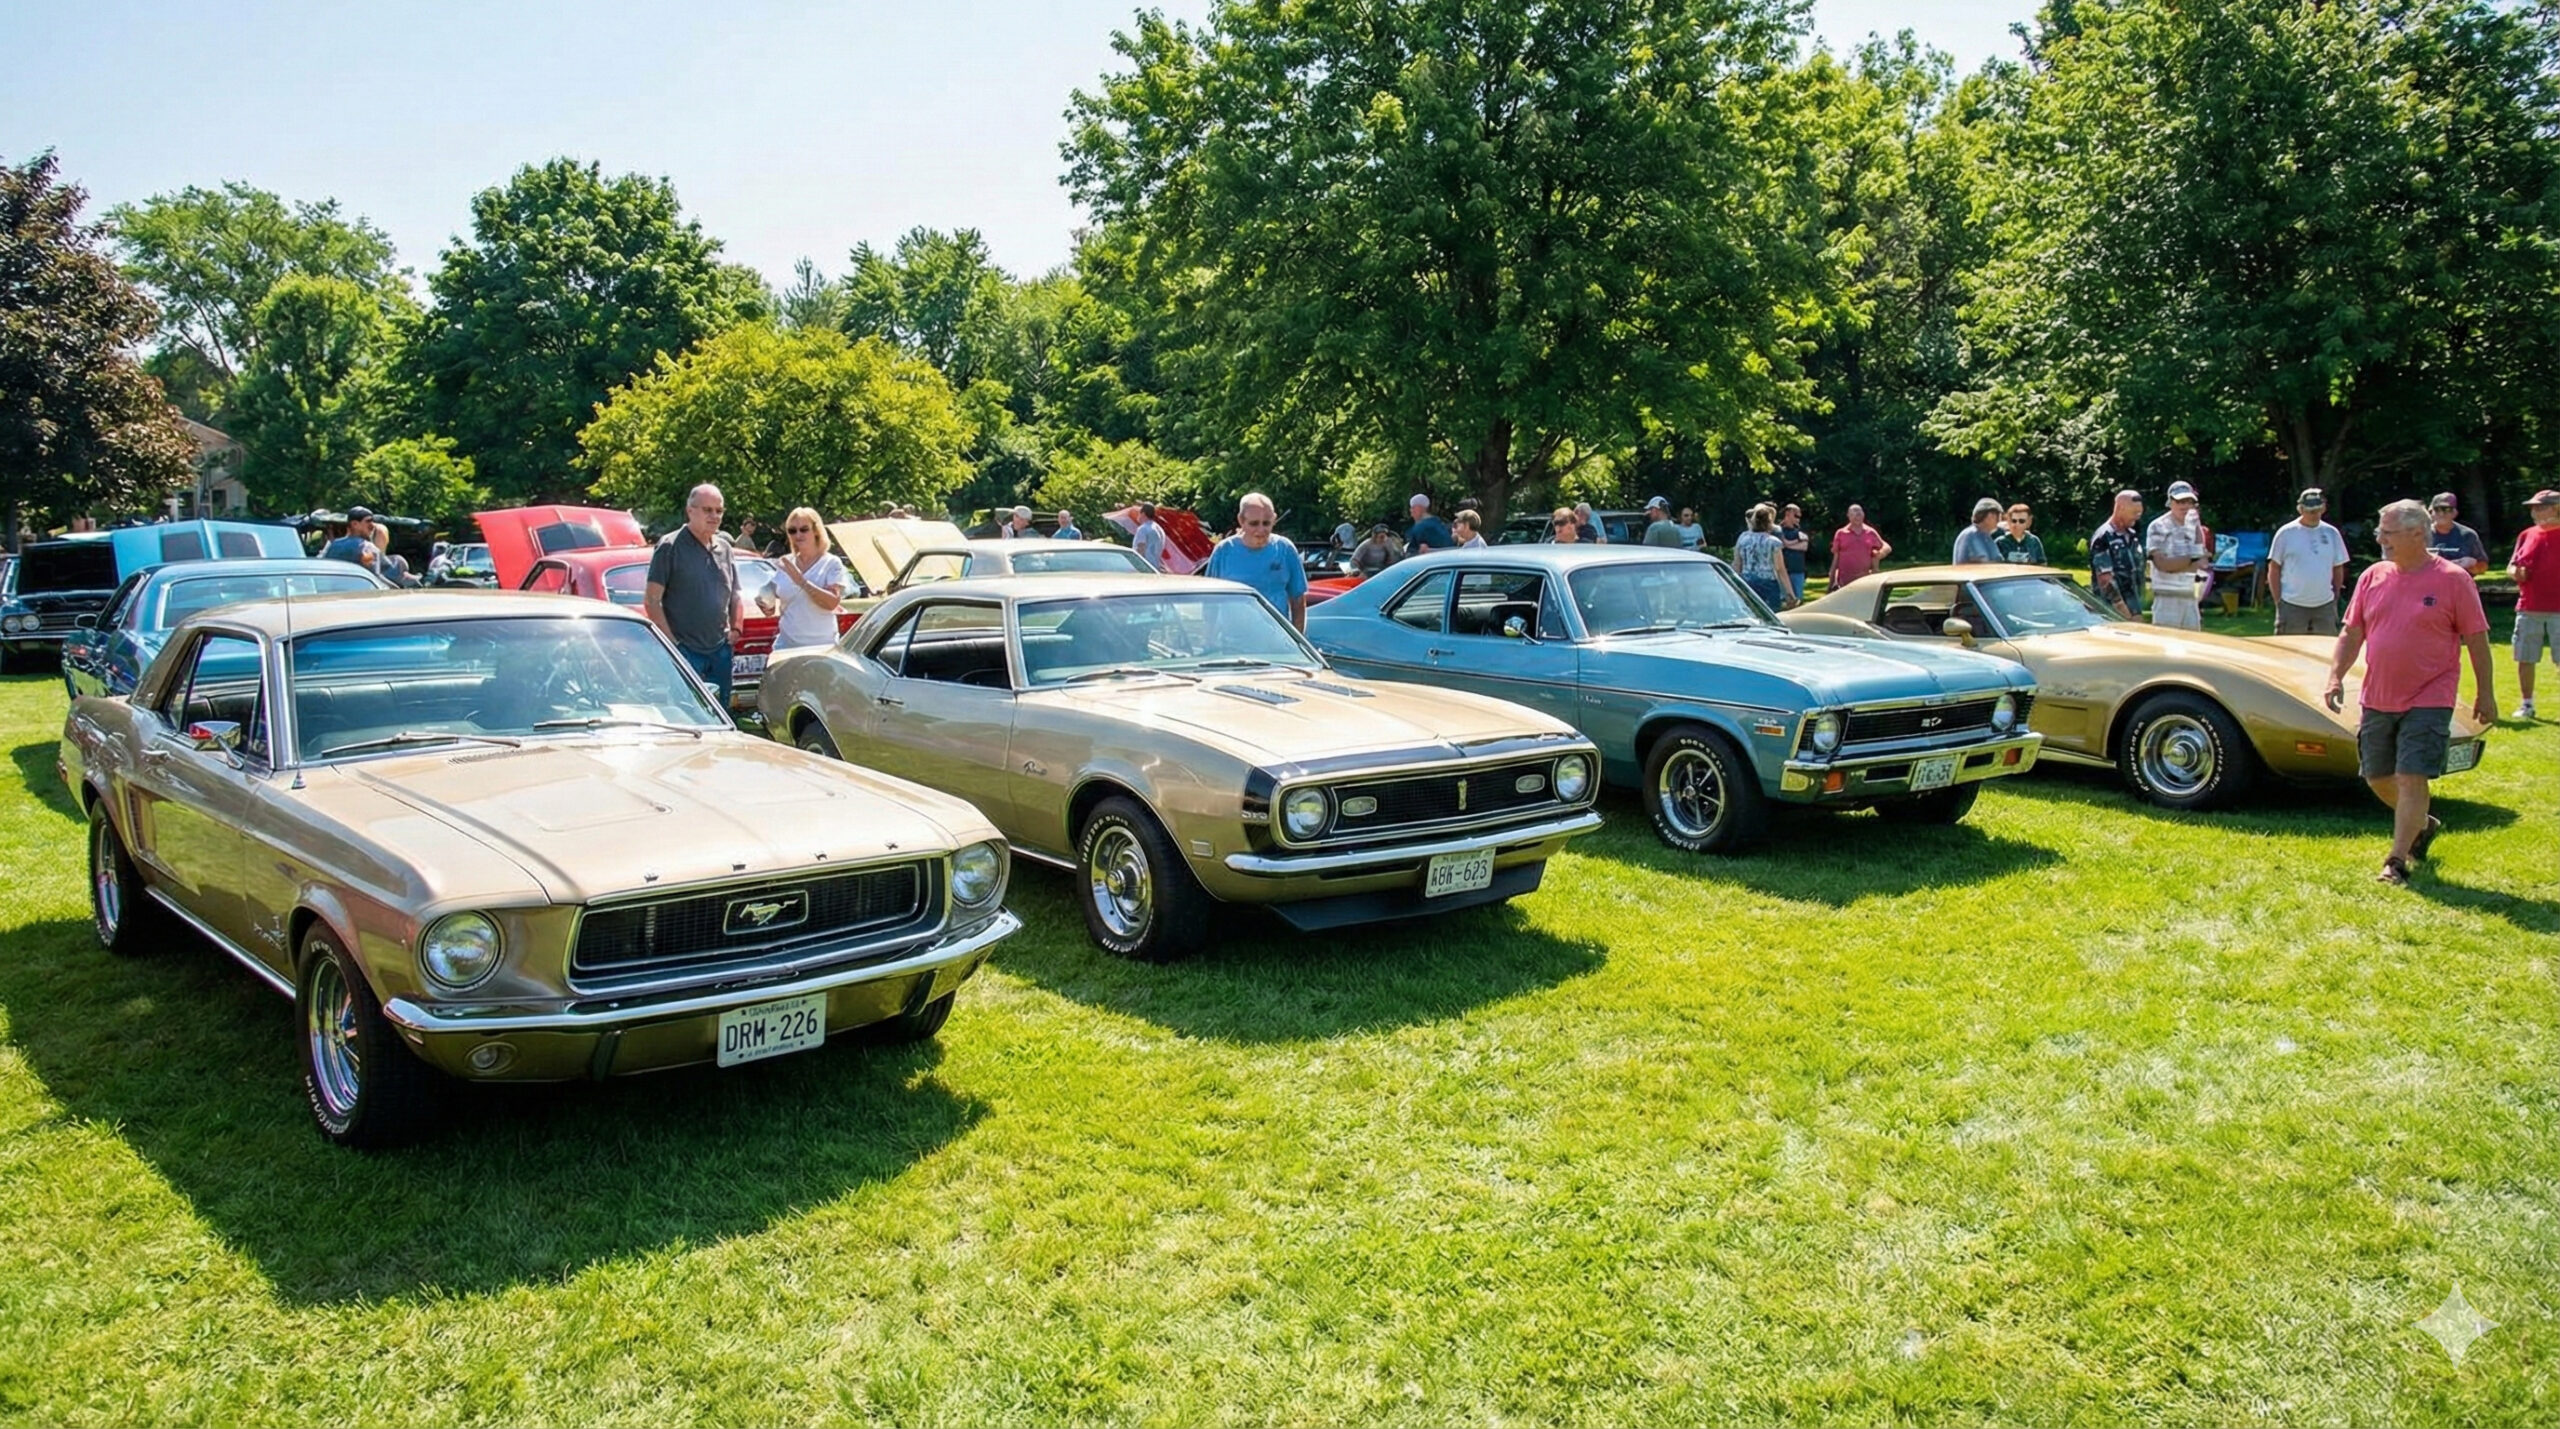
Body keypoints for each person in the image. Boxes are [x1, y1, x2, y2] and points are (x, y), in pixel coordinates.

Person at [2324, 499, 2495, 885]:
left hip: (2431, 694)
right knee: (2377, 776)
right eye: (2379, 532)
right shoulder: (2373, 576)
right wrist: (2335, 676)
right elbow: (2351, 632)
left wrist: (2486, 694)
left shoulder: (2453, 579)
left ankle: (2396, 860)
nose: (2380, 539)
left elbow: (2478, 642)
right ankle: (2423, 822)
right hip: (2378, 694)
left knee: (2411, 774)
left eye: (2388, 532)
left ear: (2418, 534)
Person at [645, 483, 744, 707]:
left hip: (720, 649)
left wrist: (736, 629)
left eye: (719, 510)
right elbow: (652, 600)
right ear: (690, 511)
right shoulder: (670, 546)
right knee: (688, 714)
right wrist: (673, 644)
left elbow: (736, 594)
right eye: (707, 510)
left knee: (722, 714)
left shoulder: (725, 548)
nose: (714, 516)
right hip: (686, 650)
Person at [1199, 492, 1311, 628]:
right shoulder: (1224, 551)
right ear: (1241, 521)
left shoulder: (1285, 549)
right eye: (1254, 524)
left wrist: (1297, 642)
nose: (1261, 530)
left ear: (1274, 519)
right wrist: (1209, 641)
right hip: (1232, 642)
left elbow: (1298, 601)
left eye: (1266, 523)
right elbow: (1210, 603)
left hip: (1275, 641)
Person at [2266, 487, 2352, 635]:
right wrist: (2278, 601)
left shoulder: (2332, 533)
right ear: (2300, 509)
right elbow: (2274, 568)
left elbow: (2338, 566)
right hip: (2292, 604)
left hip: (2324, 605)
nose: (2314, 514)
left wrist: (2335, 596)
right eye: (2310, 511)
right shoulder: (2286, 533)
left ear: (2323, 508)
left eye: (2317, 510)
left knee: (2326, 651)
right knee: (2289, 651)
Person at [2508, 488, 2560, 720]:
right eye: (2533, 508)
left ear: (2556, 508)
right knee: (2525, 657)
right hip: (2529, 606)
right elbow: (2511, 566)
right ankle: (2527, 704)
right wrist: (2515, 572)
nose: (2535, 512)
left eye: (2540, 507)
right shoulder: (2526, 534)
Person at [770, 506, 847, 650]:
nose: (798, 535)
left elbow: (832, 603)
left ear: (816, 531)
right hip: (786, 647)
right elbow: (772, 591)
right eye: (792, 531)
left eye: (804, 529)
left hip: (823, 647)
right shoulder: (786, 562)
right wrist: (765, 601)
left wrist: (802, 582)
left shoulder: (831, 563)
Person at [2145, 480, 2210, 630]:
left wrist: (2182, 562)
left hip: (2189, 597)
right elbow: (2162, 564)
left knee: (2192, 646)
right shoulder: (2158, 526)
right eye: (2180, 501)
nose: (2184, 505)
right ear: (2170, 502)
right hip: (2166, 598)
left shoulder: (2194, 526)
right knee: (2166, 646)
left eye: (2189, 501)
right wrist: (2192, 559)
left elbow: (2203, 563)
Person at [2090, 489, 2146, 619]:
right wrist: (2123, 611)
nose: (2137, 516)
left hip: (2134, 606)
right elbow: (2105, 580)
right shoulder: (2103, 537)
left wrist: (2136, 612)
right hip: (2111, 611)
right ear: (2120, 508)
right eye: (2134, 513)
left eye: (2140, 512)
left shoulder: (2132, 535)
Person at [1732, 504, 1787, 607]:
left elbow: (1737, 564)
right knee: (1771, 615)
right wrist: (1789, 593)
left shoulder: (1743, 539)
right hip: (1768, 583)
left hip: (1747, 582)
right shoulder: (1774, 542)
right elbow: (1780, 569)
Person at [2424, 492, 2488, 574]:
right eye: (2437, 509)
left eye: (2447, 509)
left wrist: (2472, 564)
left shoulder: (2468, 535)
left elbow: (2483, 565)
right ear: (2430, 512)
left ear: (2455, 513)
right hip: (2429, 584)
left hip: (2460, 583)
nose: (2442, 514)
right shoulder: (2421, 535)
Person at [1830, 504, 1891, 588]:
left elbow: (1887, 547)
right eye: (1854, 514)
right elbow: (1835, 559)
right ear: (1848, 516)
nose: (1857, 517)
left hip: (1865, 580)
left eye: (1859, 514)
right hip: (1845, 582)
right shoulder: (1841, 533)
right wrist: (1831, 581)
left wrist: (1880, 554)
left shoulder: (1870, 532)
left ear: (1863, 515)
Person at [322, 506, 381, 571]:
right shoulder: (369, 548)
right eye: (368, 521)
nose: (372, 525)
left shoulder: (335, 545)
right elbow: (374, 576)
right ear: (354, 524)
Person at [1952, 497, 2004, 565]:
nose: (1999, 521)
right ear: (1990, 515)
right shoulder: (1969, 535)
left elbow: (1997, 560)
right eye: (1998, 516)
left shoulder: (1987, 537)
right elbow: (1962, 565)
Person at [1777, 503, 1810, 601]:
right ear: (1788, 513)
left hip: (1798, 571)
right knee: (1784, 601)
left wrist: (1788, 544)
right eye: (1796, 515)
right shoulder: (1778, 530)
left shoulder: (1800, 529)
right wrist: (1796, 541)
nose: (1798, 518)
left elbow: (1804, 546)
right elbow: (1780, 545)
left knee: (1798, 600)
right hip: (1782, 572)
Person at [1132, 502, 1170, 571]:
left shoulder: (1143, 529)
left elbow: (1140, 550)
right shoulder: (1159, 529)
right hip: (1155, 567)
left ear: (1143, 514)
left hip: (1144, 568)